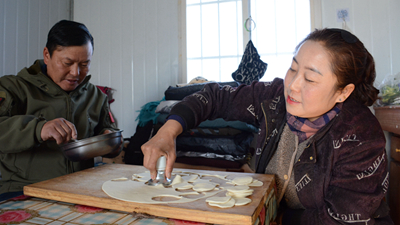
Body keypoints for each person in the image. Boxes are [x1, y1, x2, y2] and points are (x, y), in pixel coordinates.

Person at [141, 28, 393, 224]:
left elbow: (340, 220)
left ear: (343, 92)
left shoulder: (360, 137)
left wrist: (267, 214)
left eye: (310, 78)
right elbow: (214, 97)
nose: (292, 85)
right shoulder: (274, 98)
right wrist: (168, 131)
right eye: (293, 69)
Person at [0, 20, 121, 198]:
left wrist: (109, 139)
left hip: (81, 189)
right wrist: (38, 129)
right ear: (47, 55)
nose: (75, 73)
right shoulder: (12, 88)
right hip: (23, 190)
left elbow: (113, 137)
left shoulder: (96, 96)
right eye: (67, 63)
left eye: (84, 64)